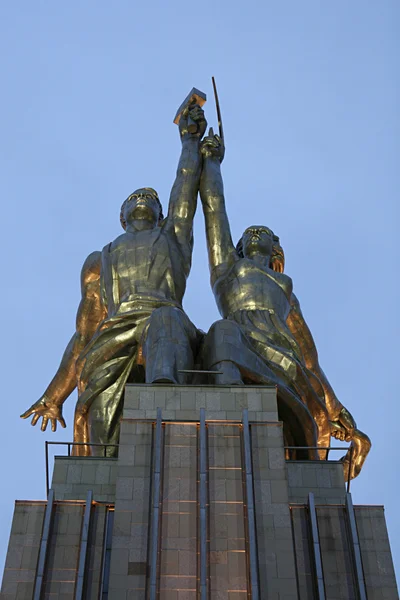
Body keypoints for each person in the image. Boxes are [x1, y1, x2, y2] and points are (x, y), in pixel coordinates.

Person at [21, 104, 207, 455]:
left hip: (163, 317)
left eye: (150, 198)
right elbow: (84, 333)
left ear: (161, 214)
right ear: (122, 217)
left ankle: (170, 417)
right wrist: (54, 394)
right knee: (101, 432)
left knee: (165, 324)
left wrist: (188, 141)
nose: (142, 199)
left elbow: (184, 188)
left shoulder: (174, 238)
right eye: (134, 198)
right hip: (113, 332)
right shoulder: (98, 260)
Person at [199, 130, 370, 475]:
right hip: (242, 339)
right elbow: (215, 209)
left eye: (264, 232)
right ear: (239, 246)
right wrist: (211, 162)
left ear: (276, 249)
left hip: (286, 357)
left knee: (299, 429)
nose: (255, 233)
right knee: (223, 333)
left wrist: (334, 406)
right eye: (249, 233)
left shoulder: (286, 288)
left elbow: (309, 356)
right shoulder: (227, 269)